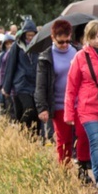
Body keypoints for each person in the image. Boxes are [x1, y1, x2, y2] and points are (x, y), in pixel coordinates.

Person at [34, 19, 92, 183]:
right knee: (64, 140)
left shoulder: (78, 52)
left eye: (67, 40)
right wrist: (42, 107)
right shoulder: (46, 58)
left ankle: (82, 170)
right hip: (59, 105)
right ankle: (65, 171)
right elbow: (41, 85)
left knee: (82, 136)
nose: (65, 45)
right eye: (61, 42)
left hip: (80, 103)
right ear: (53, 37)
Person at [64, 21, 98, 193]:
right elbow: (71, 87)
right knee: (97, 141)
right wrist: (69, 113)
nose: (97, 41)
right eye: (92, 37)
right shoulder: (81, 57)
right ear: (87, 38)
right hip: (88, 107)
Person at [2, 19, 40, 137]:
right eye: (28, 35)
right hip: (21, 84)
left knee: (36, 113)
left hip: (35, 83)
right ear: (24, 34)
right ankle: (23, 131)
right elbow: (10, 66)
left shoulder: (38, 47)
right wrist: (6, 88)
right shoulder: (17, 46)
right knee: (29, 109)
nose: (30, 37)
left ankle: (32, 137)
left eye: (32, 35)